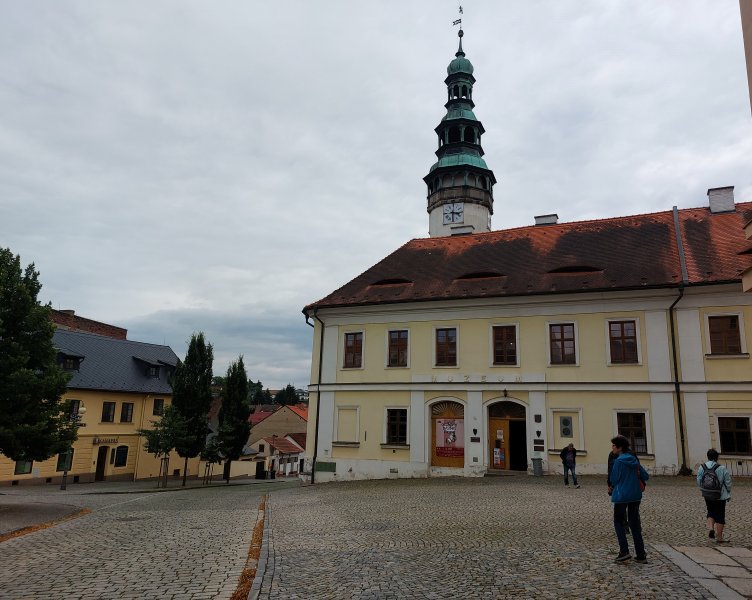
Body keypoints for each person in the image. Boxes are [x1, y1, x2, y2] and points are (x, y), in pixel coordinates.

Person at [610, 435, 649, 563]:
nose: (612, 448)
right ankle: (641, 553)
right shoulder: (634, 459)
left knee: (618, 522)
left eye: (614, 446)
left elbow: (614, 479)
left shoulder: (618, 461)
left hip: (622, 496)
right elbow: (645, 475)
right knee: (634, 523)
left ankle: (624, 551)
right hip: (635, 495)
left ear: (620, 447)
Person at [697, 448, 732, 543]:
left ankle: (711, 528)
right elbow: (728, 483)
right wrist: (728, 492)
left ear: (708, 457)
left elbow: (699, 481)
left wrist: (704, 490)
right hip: (720, 495)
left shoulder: (702, 467)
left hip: (707, 494)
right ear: (717, 457)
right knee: (720, 515)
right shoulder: (721, 468)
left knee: (710, 511)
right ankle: (719, 537)